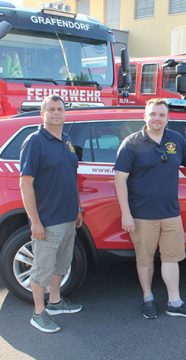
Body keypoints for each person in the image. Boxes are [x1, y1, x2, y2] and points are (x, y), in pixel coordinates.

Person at [114, 98, 186, 319]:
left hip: (171, 213)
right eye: (153, 114)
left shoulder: (175, 139)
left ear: (167, 118)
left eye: (161, 115)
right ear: (144, 116)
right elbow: (119, 180)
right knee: (144, 260)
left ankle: (174, 302)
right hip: (142, 215)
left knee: (171, 258)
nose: (157, 118)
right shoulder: (132, 143)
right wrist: (126, 213)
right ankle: (148, 299)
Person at [20, 95, 83, 333]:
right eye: (51, 109)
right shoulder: (35, 141)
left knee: (61, 264)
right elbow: (25, 184)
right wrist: (35, 221)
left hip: (68, 217)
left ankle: (55, 302)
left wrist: (77, 208)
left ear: (65, 114)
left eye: (60, 109)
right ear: (42, 114)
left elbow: (71, 177)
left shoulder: (66, 140)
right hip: (47, 220)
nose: (56, 113)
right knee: (42, 269)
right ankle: (38, 314)